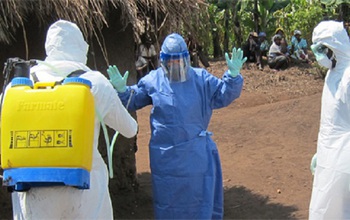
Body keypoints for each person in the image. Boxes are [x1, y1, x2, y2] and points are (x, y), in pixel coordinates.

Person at [107, 33, 246, 219]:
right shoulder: (153, 80)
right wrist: (123, 90)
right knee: (168, 203)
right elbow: (134, 99)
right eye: (170, 61)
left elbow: (223, 94)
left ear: (186, 59)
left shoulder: (201, 79)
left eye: (179, 60)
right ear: (163, 60)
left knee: (198, 201)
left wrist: (232, 76)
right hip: (166, 160)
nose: (175, 65)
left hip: (195, 158)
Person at [10, 20, 138, 219]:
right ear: (80, 47)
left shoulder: (17, 86)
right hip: (84, 188)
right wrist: (120, 93)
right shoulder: (95, 82)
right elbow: (130, 129)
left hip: (31, 188)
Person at [308, 20, 350, 219]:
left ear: (334, 47)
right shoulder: (332, 74)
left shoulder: (349, 77)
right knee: (324, 208)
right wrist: (321, 152)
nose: (318, 55)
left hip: (345, 160)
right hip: (329, 155)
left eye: (320, 49)